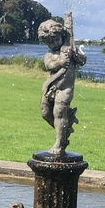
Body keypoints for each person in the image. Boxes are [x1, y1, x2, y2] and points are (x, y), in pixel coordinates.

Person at [38, 15, 85, 155]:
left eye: (55, 40)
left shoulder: (69, 49)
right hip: (50, 87)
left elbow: (83, 60)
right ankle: (64, 131)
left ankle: (59, 143)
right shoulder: (49, 54)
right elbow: (49, 65)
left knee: (59, 112)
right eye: (49, 42)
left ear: (62, 35)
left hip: (65, 88)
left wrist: (75, 56)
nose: (53, 44)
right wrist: (61, 62)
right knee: (45, 112)